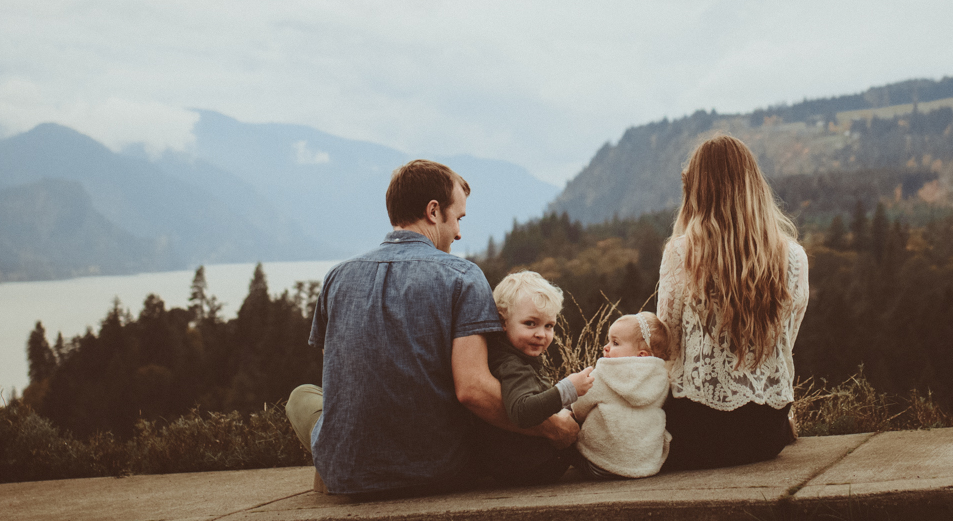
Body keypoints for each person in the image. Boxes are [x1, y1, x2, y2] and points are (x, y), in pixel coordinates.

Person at [285, 160, 578, 497]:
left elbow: (339, 378)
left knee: (303, 397)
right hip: (439, 471)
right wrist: (552, 427)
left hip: (345, 474)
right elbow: (473, 391)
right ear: (434, 211)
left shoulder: (337, 277)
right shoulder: (462, 277)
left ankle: (337, 461)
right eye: (459, 218)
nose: (459, 232)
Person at [656, 134, 808, 470]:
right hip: (769, 430)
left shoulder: (681, 253)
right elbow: (786, 340)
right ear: (754, 185)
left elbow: (667, 343)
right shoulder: (794, 257)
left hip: (696, 429)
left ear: (696, 190)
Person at [477, 271, 595, 485]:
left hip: (514, 463)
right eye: (530, 323)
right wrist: (568, 389)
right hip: (530, 467)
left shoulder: (511, 356)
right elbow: (522, 411)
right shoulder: (512, 365)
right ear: (503, 322)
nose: (541, 334)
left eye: (549, 326)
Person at [571, 311, 672, 479]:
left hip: (598, 464)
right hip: (644, 464)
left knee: (565, 430)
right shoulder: (661, 378)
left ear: (642, 355)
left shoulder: (605, 373)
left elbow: (579, 408)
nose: (606, 347)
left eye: (615, 342)